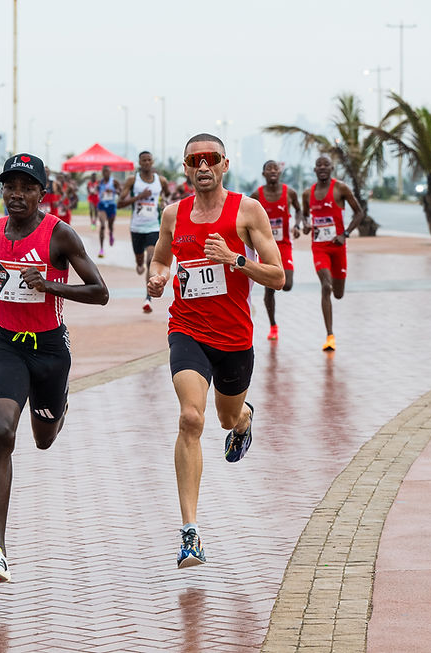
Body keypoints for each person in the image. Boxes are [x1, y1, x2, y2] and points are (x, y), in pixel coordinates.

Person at [0, 152, 109, 586]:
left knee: (43, 440)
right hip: (9, 345)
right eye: (10, 186)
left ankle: (58, 406)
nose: (17, 194)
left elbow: (100, 292)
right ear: (2, 190)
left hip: (50, 350)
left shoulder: (60, 235)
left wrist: (49, 284)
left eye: (27, 187)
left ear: (41, 193)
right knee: (2, 432)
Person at [147, 133, 284, 570]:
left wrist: (234, 260)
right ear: (185, 167)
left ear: (224, 164)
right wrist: (157, 277)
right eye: (193, 160)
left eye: (210, 159)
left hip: (234, 338)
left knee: (226, 417)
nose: (202, 166)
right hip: (187, 329)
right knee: (191, 418)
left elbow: (278, 276)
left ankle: (243, 420)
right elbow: (161, 259)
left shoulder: (247, 210)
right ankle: (190, 534)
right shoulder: (173, 214)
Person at [300, 156, 365, 351]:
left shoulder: (341, 189)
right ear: (314, 169)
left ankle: (330, 333)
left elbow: (359, 212)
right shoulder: (307, 194)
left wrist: (345, 234)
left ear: (331, 168)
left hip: (338, 248)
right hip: (319, 248)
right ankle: (330, 336)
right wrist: (305, 225)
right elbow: (304, 215)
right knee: (326, 286)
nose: (322, 168)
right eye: (318, 165)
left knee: (338, 293)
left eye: (325, 165)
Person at [249, 161, 303, 340]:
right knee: (270, 287)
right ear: (263, 173)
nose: (272, 171)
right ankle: (273, 326)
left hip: (284, 244)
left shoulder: (290, 193)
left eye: (275, 168)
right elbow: (244, 212)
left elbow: (298, 209)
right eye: (269, 169)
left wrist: (297, 224)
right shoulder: (257, 194)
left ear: (280, 172)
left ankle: (273, 322)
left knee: (287, 284)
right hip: (265, 245)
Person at [118, 151, 170, 313]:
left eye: (149, 160)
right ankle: (138, 262)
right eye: (144, 160)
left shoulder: (161, 181)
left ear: (152, 161)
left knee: (150, 259)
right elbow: (120, 203)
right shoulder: (133, 180)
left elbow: (166, 195)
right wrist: (139, 196)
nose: (147, 163)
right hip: (136, 228)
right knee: (141, 260)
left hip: (153, 226)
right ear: (140, 163)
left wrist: (163, 202)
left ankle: (148, 298)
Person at [96, 165, 121, 257]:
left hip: (111, 205)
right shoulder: (100, 182)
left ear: (110, 173)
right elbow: (97, 192)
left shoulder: (114, 182)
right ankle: (101, 249)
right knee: (102, 226)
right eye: (104, 172)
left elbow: (120, 192)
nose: (106, 173)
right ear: (102, 173)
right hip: (102, 205)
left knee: (110, 225)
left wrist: (114, 191)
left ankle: (111, 233)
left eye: (108, 171)